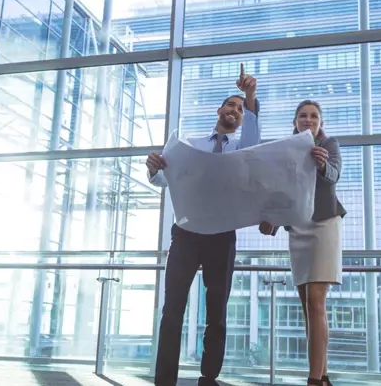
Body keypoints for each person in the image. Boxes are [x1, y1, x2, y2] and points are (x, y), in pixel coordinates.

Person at [147, 64, 261, 386]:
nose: (235, 111)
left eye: (240, 110)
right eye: (231, 105)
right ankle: (164, 380)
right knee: (172, 311)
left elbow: (254, 138)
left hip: (222, 236)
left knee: (217, 314)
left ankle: (208, 378)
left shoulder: (242, 150)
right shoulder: (190, 144)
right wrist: (153, 168)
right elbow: (162, 179)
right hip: (186, 234)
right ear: (219, 110)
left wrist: (250, 96)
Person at [259, 100, 346, 386]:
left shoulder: (329, 144)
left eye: (314, 116)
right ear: (295, 121)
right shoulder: (287, 149)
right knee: (307, 307)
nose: (308, 120)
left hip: (323, 225)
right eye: (303, 116)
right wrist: (271, 218)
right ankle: (323, 375)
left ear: (321, 122)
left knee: (315, 301)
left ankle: (312, 379)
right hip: (298, 228)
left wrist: (322, 166)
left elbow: (334, 176)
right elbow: (281, 189)